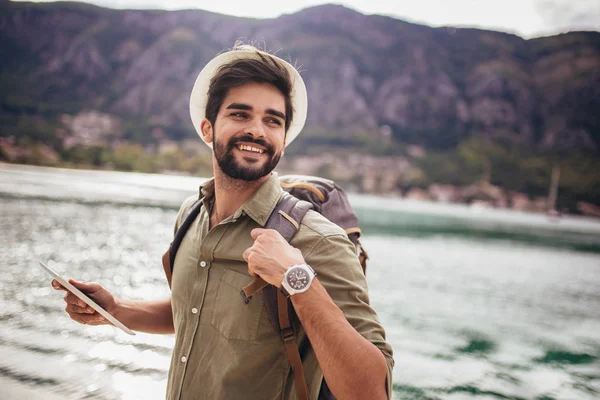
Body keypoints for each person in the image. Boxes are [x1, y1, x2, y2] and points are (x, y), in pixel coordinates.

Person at [52, 44, 394, 400]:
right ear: (207, 128)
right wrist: (117, 309)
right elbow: (195, 313)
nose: (258, 131)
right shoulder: (191, 215)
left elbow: (372, 392)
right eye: (240, 114)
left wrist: (299, 281)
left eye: (272, 121)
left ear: (283, 140)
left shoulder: (317, 241)